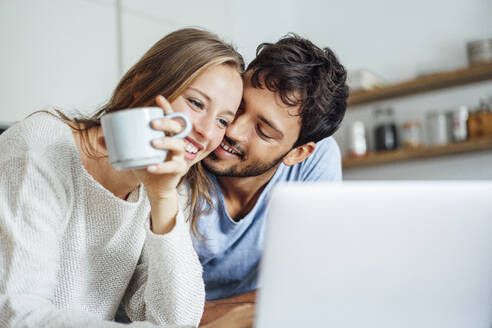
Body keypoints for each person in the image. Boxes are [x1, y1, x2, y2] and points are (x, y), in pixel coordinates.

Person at [0, 28, 254, 327]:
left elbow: (177, 319)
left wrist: (163, 197)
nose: (207, 132)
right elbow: (16, 316)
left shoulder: (167, 185)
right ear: (142, 82)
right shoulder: (40, 147)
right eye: (197, 103)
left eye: (223, 120)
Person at [192, 34, 349, 324]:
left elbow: (313, 285)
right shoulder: (195, 139)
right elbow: (153, 309)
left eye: (263, 131)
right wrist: (259, 305)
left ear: (298, 152)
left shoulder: (317, 160)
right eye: (238, 106)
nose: (233, 131)